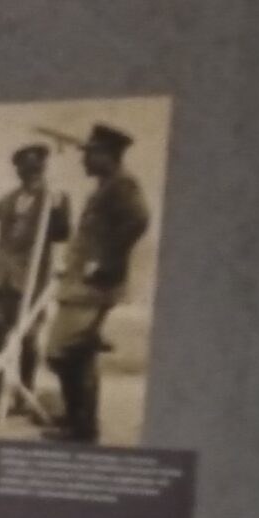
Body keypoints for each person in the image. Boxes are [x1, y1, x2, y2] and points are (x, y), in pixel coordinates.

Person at [50, 124, 153, 442]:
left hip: (94, 288)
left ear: (107, 155)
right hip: (81, 285)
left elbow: (139, 220)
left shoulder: (122, 184)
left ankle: (80, 424)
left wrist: (104, 261)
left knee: (59, 351)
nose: (84, 160)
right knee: (79, 355)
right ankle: (79, 422)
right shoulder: (106, 185)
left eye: (90, 154)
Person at [0, 145, 72, 396]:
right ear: (18, 171)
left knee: (29, 337)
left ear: (43, 169)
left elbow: (63, 234)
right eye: (24, 170)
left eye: (36, 169)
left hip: (32, 278)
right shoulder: (9, 198)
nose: (30, 175)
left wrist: (56, 210)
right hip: (1, 279)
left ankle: (26, 391)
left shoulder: (55, 197)